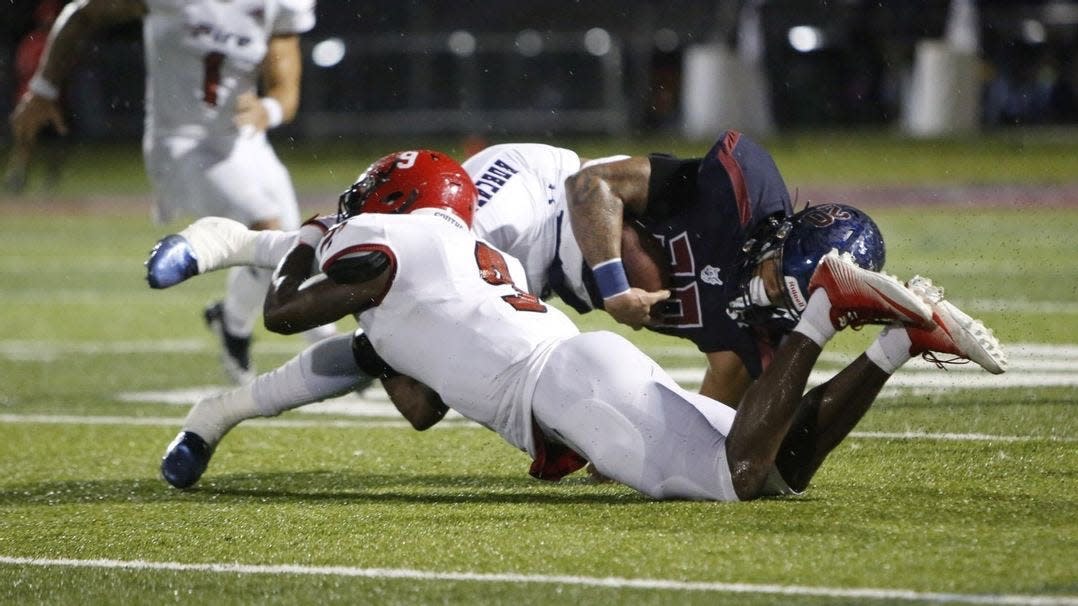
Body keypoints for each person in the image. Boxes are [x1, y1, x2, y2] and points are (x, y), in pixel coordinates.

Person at [158, 150, 1004, 499]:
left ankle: (849, 314)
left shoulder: (388, 240)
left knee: (747, 474)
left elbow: (287, 313)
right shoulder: (431, 246)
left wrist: (298, 239)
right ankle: (897, 338)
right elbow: (417, 396)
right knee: (781, 464)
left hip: (559, 369)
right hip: (558, 314)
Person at [8, 0, 332, 384]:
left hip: (243, 141)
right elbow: (82, 14)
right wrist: (43, 89)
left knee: (297, 246)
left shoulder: (279, 4)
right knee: (267, 229)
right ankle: (331, 352)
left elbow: (285, 92)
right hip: (180, 142)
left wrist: (267, 110)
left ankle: (234, 323)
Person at [4, 0, 66, 194]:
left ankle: (47, 180)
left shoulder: (55, 42)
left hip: (48, 102)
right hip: (30, 99)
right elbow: (24, 69)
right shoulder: (37, 41)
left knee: (54, 144)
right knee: (25, 143)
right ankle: (17, 178)